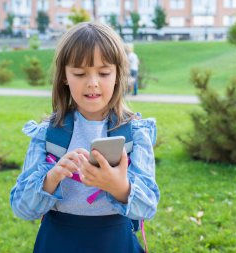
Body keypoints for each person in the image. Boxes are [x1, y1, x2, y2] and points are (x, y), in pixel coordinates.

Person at [10, 22, 159, 253]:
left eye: (104, 72)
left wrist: (119, 187)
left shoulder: (135, 134)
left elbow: (147, 207)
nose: (92, 83)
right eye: (80, 73)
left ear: (119, 74)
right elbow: (22, 208)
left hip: (115, 243)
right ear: (65, 77)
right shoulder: (47, 134)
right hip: (57, 242)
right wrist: (52, 178)